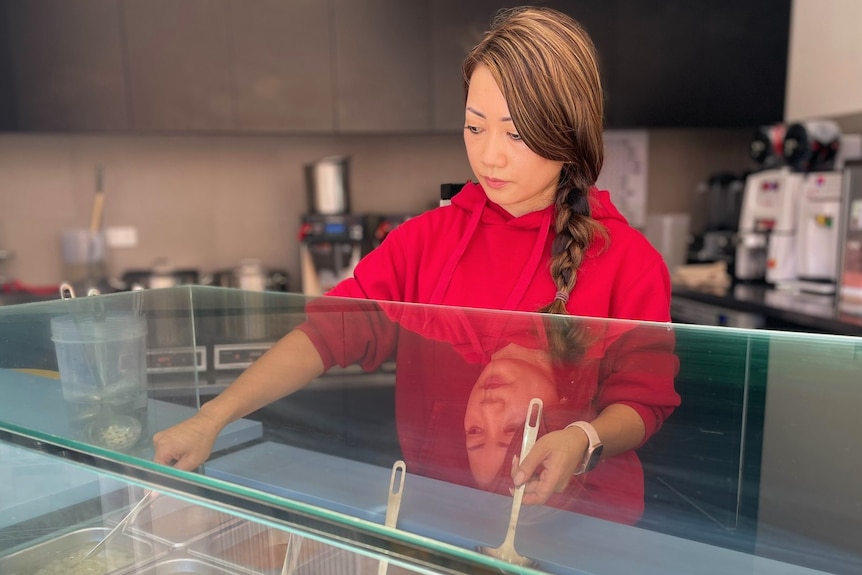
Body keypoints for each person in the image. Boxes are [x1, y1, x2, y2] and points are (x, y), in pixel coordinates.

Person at [153, 5, 680, 523]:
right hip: (442, 524)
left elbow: (644, 402)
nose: (489, 156)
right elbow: (325, 334)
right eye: (475, 127)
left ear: (567, 132)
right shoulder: (425, 242)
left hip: (586, 532)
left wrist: (583, 439)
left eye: (516, 134)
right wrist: (210, 419)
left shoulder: (629, 262)